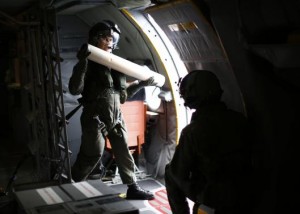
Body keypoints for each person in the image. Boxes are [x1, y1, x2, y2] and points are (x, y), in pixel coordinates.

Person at [68, 20, 156, 200]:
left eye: (111, 39)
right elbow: (75, 89)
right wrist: (83, 61)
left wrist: (141, 84)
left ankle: (133, 188)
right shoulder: (88, 63)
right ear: (95, 39)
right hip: (95, 118)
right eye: (105, 38)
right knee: (92, 155)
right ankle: (72, 185)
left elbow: (122, 96)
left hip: (115, 117)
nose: (109, 42)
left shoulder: (116, 65)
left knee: (124, 152)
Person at [165, 70, 253, 213]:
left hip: (214, 197)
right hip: (244, 193)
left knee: (170, 172)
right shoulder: (240, 120)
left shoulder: (192, 132)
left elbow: (178, 173)